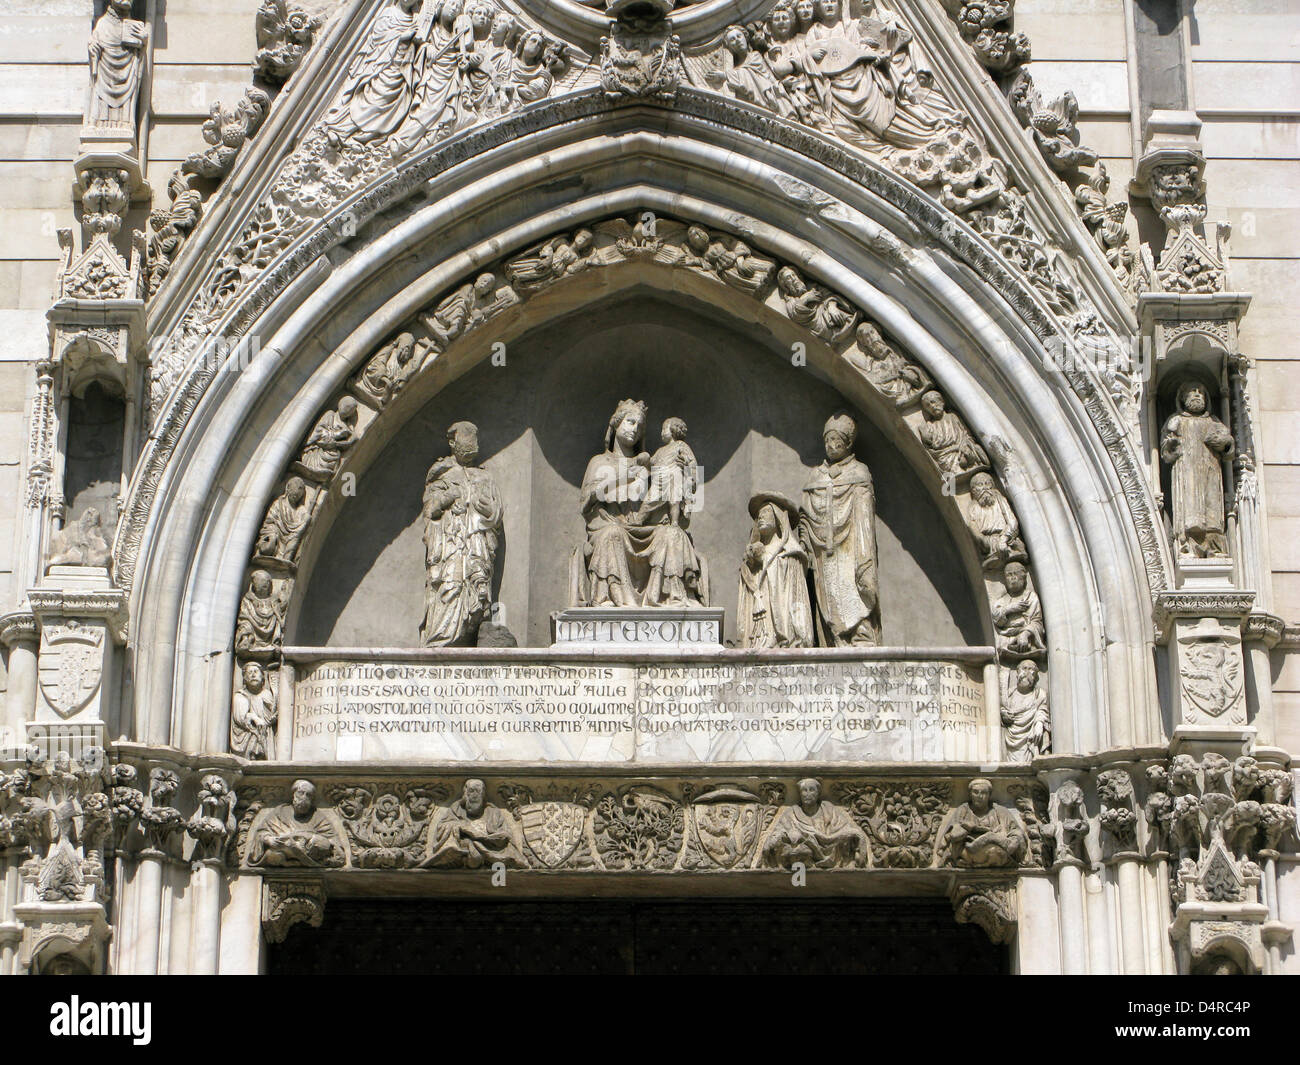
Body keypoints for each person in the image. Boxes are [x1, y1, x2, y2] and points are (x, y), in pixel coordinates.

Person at [799, 412, 880, 645]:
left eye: (837, 440)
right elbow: (806, 513)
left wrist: (864, 555)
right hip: (823, 550)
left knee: (855, 589)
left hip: (852, 545)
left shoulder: (859, 472)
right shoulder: (816, 475)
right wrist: (808, 537)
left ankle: (861, 634)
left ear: (848, 442)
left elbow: (864, 516)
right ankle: (835, 639)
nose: (831, 445)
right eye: (827, 440)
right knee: (829, 596)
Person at [420, 421, 504, 646]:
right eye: (465, 439)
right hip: (451, 545)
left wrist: (489, 511)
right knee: (451, 586)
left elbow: (496, 514)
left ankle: (470, 632)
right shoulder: (441, 474)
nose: (470, 444)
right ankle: (442, 638)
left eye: (473, 439)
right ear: (452, 442)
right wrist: (448, 497)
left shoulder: (485, 477)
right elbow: (430, 510)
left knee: (478, 589)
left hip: (477, 544)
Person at [1160, 380, 1234, 558]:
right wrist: (1170, 445)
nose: (1197, 394)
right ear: (1183, 397)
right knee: (1191, 513)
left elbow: (1228, 449)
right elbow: (1165, 452)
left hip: (1211, 472)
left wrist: (1226, 443)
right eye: (1192, 391)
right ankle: (1189, 546)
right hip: (1188, 473)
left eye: (1200, 392)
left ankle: (1214, 548)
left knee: (1212, 513)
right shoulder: (1176, 421)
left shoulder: (1212, 421)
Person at [738, 492, 814, 648]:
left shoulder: (790, 554)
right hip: (759, 627)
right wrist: (751, 564)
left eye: (766, 512)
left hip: (786, 629)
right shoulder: (752, 555)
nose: (761, 517)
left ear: (778, 518)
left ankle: (783, 639)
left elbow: (796, 595)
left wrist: (766, 559)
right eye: (759, 515)